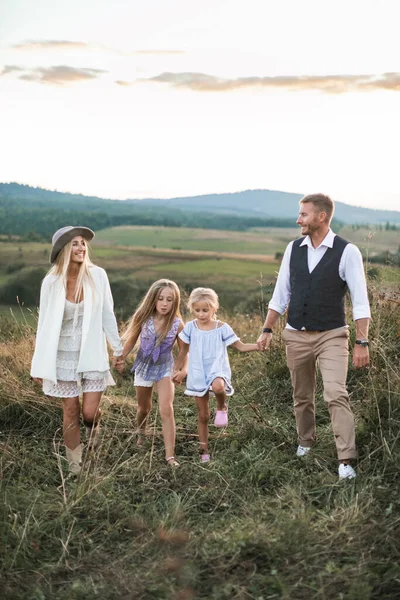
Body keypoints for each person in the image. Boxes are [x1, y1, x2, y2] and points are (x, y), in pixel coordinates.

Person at [257, 194, 371, 479]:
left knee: (335, 393)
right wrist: (267, 329)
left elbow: (360, 301)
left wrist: (362, 342)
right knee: (301, 396)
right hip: (296, 335)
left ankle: (346, 458)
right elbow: (280, 295)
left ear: (321, 217)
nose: (299, 220)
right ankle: (305, 442)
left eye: (304, 215)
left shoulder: (347, 252)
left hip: (332, 335)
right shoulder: (293, 249)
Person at [31, 226, 124, 475]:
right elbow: (43, 324)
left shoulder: (98, 275)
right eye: (74, 243)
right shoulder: (50, 282)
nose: (81, 247)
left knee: (89, 413)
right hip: (61, 354)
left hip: (92, 352)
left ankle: (95, 426)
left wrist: (118, 349)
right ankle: (75, 467)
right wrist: (38, 363)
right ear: (63, 249)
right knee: (70, 409)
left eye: (83, 243)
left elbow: (107, 313)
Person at [173, 287, 261, 463]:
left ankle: (222, 407)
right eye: (197, 310)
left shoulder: (222, 328)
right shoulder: (190, 327)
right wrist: (178, 370)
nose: (201, 314)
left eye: (205, 310)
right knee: (203, 415)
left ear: (214, 308)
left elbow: (240, 346)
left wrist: (259, 345)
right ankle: (204, 450)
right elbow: (183, 351)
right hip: (198, 373)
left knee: (218, 386)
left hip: (216, 369)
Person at [118, 279, 187, 467]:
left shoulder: (177, 324)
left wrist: (181, 369)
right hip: (143, 366)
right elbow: (131, 340)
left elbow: (184, 350)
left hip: (165, 367)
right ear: (153, 299)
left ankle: (170, 456)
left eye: (169, 300)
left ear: (175, 302)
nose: (164, 304)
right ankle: (141, 433)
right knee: (143, 409)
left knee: (166, 408)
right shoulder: (143, 316)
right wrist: (121, 356)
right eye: (160, 299)